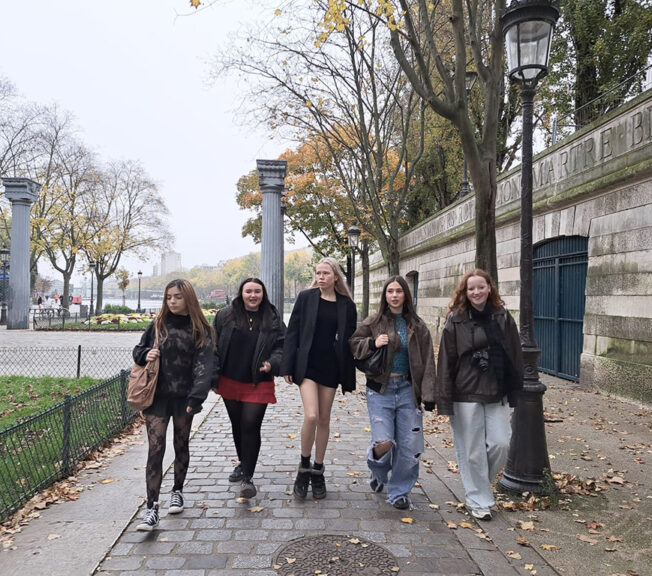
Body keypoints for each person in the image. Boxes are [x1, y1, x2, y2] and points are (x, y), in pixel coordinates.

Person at [436, 269, 524, 521]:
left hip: (497, 389)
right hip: (465, 391)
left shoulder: (503, 317)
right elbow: (447, 360)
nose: (476, 292)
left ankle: (478, 485)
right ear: (464, 292)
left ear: (489, 288)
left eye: (480, 287)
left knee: (501, 443)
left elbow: (515, 355)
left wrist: (517, 390)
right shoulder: (456, 319)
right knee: (473, 451)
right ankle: (479, 500)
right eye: (471, 288)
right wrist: (444, 397)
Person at [132, 279, 214, 531]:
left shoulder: (200, 329)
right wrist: (146, 355)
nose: (172, 301)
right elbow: (138, 350)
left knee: (181, 444)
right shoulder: (157, 325)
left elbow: (205, 365)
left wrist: (196, 397)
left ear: (188, 298)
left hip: (184, 398)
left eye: (177, 297)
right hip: (157, 396)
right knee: (155, 449)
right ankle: (151, 508)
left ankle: (177, 490)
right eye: (168, 297)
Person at [349, 276, 436, 510]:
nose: (395, 295)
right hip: (381, 391)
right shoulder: (374, 321)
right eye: (390, 291)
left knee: (409, 446)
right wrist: (372, 343)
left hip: (409, 390)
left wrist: (429, 395)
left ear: (406, 295)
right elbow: (353, 343)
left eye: (399, 291)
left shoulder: (417, 326)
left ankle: (399, 492)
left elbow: (428, 362)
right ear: (385, 296)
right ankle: (378, 472)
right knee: (384, 441)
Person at [281, 257, 357, 500]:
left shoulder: (347, 305)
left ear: (335, 276)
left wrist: (350, 374)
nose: (321, 277)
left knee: (324, 418)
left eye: (325, 273)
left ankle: (318, 469)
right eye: (318, 272)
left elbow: (351, 341)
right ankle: (303, 467)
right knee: (311, 415)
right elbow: (292, 332)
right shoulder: (306, 298)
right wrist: (287, 365)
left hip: (331, 367)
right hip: (308, 365)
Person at [212, 278, 285, 499]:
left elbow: (283, 344)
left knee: (251, 425)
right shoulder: (225, 315)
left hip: (258, 380)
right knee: (237, 425)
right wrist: (213, 377)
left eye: (257, 291)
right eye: (248, 291)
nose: (253, 295)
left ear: (263, 294)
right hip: (230, 379)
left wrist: (273, 363)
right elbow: (213, 346)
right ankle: (243, 463)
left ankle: (247, 478)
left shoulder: (272, 317)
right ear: (241, 293)